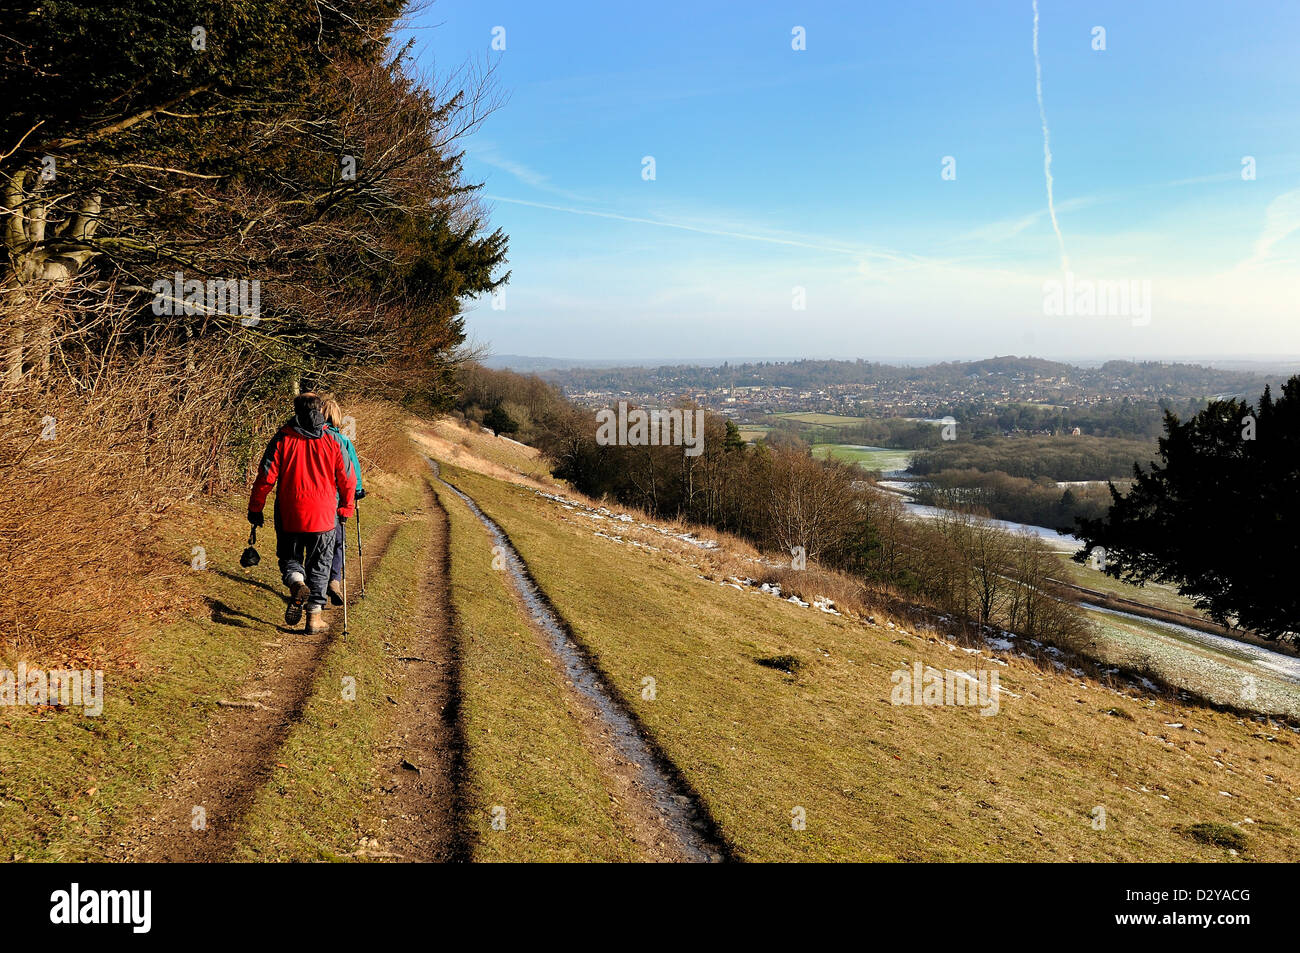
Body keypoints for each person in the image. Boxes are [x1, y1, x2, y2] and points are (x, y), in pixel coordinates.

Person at [248, 392, 356, 633]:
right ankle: (313, 618)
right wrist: (346, 507)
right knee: (320, 564)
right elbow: (347, 479)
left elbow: (265, 478)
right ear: (319, 410)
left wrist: (256, 508)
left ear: (296, 410)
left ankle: (297, 582)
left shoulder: (282, 438)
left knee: (290, 558)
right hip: (324, 517)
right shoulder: (333, 440)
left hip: (290, 514)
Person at [320, 395, 365, 606]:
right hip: (338, 502)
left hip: (319, 501)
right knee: (338, 542)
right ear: (338, 418)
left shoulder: (313, 438)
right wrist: (357, 493)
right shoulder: (344, 441)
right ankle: (334, 581)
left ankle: (316, 586)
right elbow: (352, 471)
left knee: (317, 545)